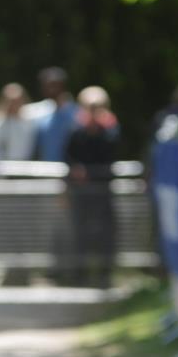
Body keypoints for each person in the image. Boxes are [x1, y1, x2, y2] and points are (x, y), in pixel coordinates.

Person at [64, 86, 119, 288]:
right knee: (81, 231)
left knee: (105, 233)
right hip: (82, 193)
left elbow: (110, 153)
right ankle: (80, 273)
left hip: (103, 192)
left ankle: (105, 273)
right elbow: (69, 156)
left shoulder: (110, 130)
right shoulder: (76, 130)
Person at [0, 82, 36, 175]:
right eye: (11, 101)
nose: (14, 104)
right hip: (1, 172)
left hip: (23, 170)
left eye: (17, 101)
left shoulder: (28, 121)